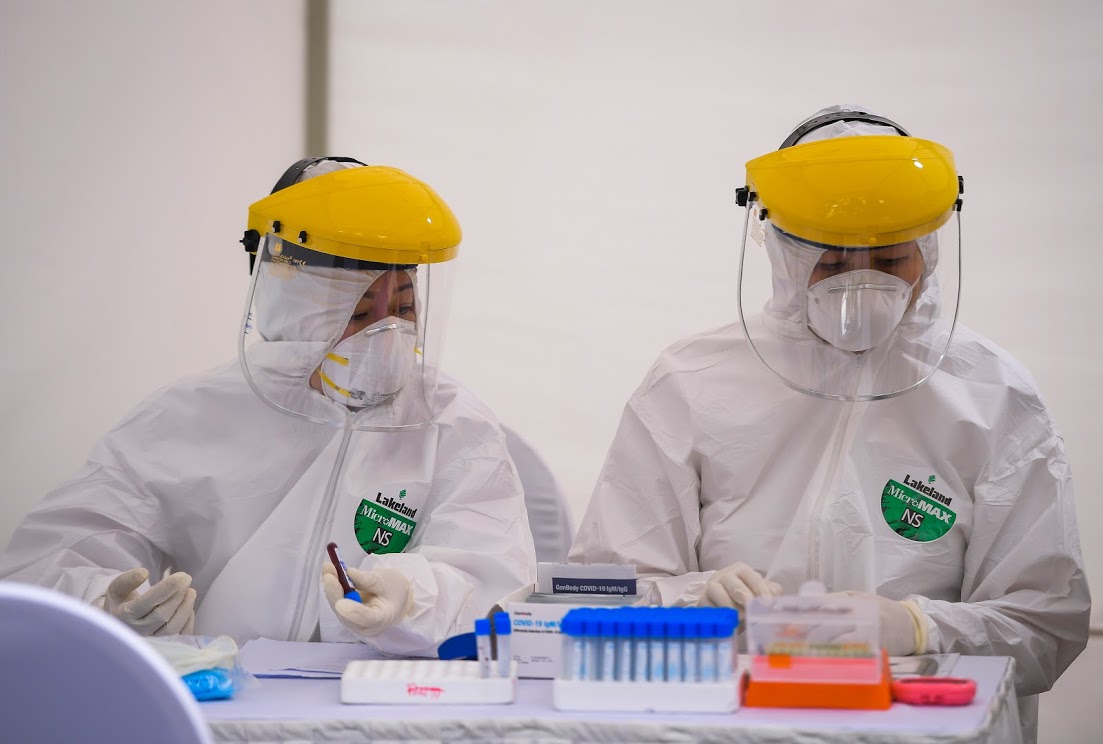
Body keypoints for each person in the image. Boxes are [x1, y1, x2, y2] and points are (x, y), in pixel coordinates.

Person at [569, 106, 1089, 739]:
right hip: (729, 724)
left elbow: (1045, 623)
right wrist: (696, 599)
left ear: (927, 250)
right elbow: (599, 594)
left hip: (918, 726)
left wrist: (917, 628)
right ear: (782, 252)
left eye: (890, 262)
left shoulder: (993, 394)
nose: (861, 288)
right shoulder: (692, 380)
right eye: (834, 264)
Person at [0, 157, 536, 656]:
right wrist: (107, 609)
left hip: (381, 694)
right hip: (223, 692)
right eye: (357, 314)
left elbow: (495, 578)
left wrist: (413, 599)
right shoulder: (190, 416)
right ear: (297, 309)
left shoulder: (451, 423)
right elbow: (52, 560)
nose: (386, 334)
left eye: (403, 310)